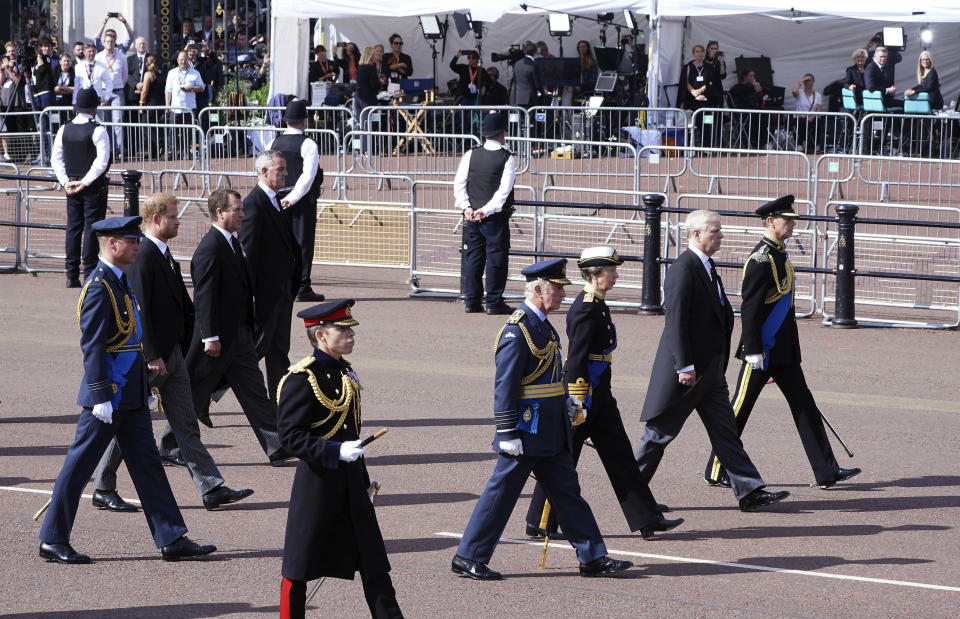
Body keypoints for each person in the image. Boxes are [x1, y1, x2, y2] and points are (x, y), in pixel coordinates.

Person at [37, 215, 216, 564]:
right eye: (131, 240)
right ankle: (53, 538)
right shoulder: (99, 287)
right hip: (107, 398)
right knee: (78, 468)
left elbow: (130, 341)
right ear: (112, 244)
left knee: (148, 465)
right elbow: (93, 347)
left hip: (129, 396)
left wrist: (143, 389)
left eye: (137, 239)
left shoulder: (120, 282)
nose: (137, 245)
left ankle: (171, 536)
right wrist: (102, 394)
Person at [452, 259, 633, 581]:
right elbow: (505, 385)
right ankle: (468, 556)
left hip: (550, 427)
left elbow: (548, 376)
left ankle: (593, 556)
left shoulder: (543, 324)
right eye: (558, 288)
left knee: (568, 493)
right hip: (525, 430)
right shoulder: (516, 330)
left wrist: (565, 402)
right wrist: (507, 430)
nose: (563, 294)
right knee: (501, 495)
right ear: (538, 289)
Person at [92, 194, 255, 512]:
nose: (178, 221)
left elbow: (183, 306)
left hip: (173, 355)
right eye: (172, 216)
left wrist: (190, 341)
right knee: (125, 421)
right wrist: (152, 353)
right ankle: (103, 486)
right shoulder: (143, 256)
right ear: (155, 219)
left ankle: (211, 487)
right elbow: (139, 311)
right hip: (153, 359)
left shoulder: (164, 254)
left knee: (185, 422)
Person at [633, 210, 790, 512]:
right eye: (715, 231)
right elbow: (675, 322)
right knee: (658, 435)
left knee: (725, 431)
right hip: (688, 371)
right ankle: (632, 492)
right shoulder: (683, 268)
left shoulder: (705, 265)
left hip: (711, 370)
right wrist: (684, 366)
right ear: (696, 234)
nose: (721, 236)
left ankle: (749, 490)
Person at [702, 196, 862, 491]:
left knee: (805, 406)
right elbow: (750, 309)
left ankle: (826, 470)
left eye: (792, 219)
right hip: (761, 348)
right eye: (786, 219)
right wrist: (752, 350)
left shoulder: (778, 254)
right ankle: (715, 467)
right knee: (738, 410)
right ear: (771, 221)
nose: (792, 224)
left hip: (783, 349)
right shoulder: (761, 259)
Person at [524, 247, 684, 541]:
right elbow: (577, 359)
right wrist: (577, 402)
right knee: (562, 459)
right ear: (596, 274)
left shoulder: (597, 303)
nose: (616, 275)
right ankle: (540, 522)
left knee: (620, 456)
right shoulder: (585, 307)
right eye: (612, 271)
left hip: (600, 394)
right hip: (583, 396)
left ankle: (647, 519)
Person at [277, 300, 403, 618]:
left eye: (350, 329)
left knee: (374, 564)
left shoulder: (344, 370)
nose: (351, 335)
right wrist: (335, 451)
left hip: (351, 479)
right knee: (299, 567)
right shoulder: (301, 378)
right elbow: (290, 438)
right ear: (321, 335)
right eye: (343, 330)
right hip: (318, 484)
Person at [185, 188, 291, 464]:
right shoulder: (210, 248)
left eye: (243, 209)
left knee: (255, 391)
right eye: (238, 210)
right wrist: (210, 336)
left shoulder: (231, 243)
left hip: (239, 337)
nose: (243, 215)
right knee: (195, 393)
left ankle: (275, 443)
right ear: (220, 213)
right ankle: (171, 444)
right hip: (218, 340)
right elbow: (205, 297)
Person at [240, 151, 302, 400]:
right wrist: (251, 296)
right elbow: (249, 256)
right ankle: (204, 394)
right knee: (254, 352)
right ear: (264, 172)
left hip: (282, 291)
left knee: (278, 351)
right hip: (265, 294)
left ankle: (281, 405)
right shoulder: (254, 204)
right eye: (281, 169)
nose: (286, 174)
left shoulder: (276, 200)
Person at [454, 112, 516, 315]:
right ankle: (493, 301)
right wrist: (486, 210)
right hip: (494, 218)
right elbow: (503, 192)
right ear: (502, 133)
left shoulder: (471, 154)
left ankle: (471, 300)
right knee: (496, 258)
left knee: (474, 258)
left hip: (472, 216)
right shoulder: (506, 157)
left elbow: (459, 184)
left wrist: (467, 208)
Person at [52, 88, 110, 288]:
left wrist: (65, 181)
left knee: (73, 229)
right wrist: (85, 182)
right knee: (91, 229)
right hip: (92, 188)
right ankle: (90, 273)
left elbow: (56, 159)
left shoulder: (64, 129)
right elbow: (102, 162)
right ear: (94, 108)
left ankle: (71, 274)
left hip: (71, 185)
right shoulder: (98, 129)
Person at [268, 99, 324, 303]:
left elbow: (263, 171)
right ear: (304, 121)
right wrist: (292, 199)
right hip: (300, 201)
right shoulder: (308, 144)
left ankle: (282, 284)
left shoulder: (272, 143)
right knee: (303, 244)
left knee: (279, 243)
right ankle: (302, 286)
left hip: (277, 198)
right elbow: (307, 177)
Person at [95, 30, 129, 158]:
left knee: (118, 121)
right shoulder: (98, 57)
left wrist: (118, 85)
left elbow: (125, 76)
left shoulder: (121, 56)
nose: (110, 44)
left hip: (117, 91)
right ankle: (107, 149)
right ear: (104, 43)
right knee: (104, 121)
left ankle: (119, 149)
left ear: (115, 43)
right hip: (103, 92)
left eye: (112, 42)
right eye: (108, 41)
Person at [164, 51, 203, 158]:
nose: (183, 62)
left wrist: (191, 89)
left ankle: (186, 151)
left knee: (188, 131)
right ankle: (171, 152)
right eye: (181, 59)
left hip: (189, 107)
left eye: (185, 59)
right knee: (173, 131)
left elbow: (201, 87)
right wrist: (167, 105)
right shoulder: (171, 73)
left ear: (188, 60)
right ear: (177, 60)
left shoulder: (195, 73)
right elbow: (168, 90)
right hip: (175, 107)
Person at [681, 44, 722, 147]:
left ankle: (706, 146)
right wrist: (693, 92)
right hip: (692, 101)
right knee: (691, 125)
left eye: (701, 51)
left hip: (706, 100)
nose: (699, 54)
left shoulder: (709, 67)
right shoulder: (689, 66)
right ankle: (691, 146)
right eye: (697, 51)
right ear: (693, 54)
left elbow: (710, 83)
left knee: (707, 124)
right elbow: (685, 82)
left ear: (704, 53)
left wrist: (699, 91)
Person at [33, 38, 56, 165]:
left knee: (47, 126)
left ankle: (50, 154)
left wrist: (38, 54)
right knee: (41, 126)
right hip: (37, 95)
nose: (46, 48)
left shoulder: (46, 59)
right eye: (43, 46)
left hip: (46, 94)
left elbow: (42, 69)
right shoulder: (34, 61)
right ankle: (43, 153)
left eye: (48, 46)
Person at [791, 73, 823, 152]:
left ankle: (817, 143)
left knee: (817, 122)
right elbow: (794, 91)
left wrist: (813, 116)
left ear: (813, 82)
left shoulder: (817, 95)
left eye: (809, 80)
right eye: (806, 80)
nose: (807, 82)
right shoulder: (799, 93)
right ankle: (800, 143)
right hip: (800, 118)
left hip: (813, 117)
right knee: (802, 122)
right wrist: (801, 81)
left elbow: (819, 108)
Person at [514, 42, 541, 108]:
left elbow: (516, 80)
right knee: (531, 117)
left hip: (519, 97)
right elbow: (537, 84)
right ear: (535, 52)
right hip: (530, 98)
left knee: (521, 117)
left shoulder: (517, 63)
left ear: (524, 51)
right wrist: (543, 92)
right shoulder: (533, 65)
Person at [126, 36, 148, 106]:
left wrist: (144, 86)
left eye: (143, 44)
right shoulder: (129, 60)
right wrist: (136, 84)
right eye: (139, 44)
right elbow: (127, 74)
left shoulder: (151, 59)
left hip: (147, 94)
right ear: (135, 46)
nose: (142, 45)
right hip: (133, 95)